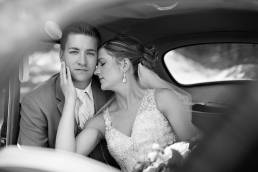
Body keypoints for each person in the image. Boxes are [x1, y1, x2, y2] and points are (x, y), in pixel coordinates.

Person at [56, 35, 199, 172]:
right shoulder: (102, 122)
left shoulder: (162, 99)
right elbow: (64, 160)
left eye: (102, 63)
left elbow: (197, 147)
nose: (96, 70)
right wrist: (70, 99)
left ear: (124, 64)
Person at [18, 22, 117, 166]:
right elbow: (31, 165)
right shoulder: (35, 102)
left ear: (97, 57)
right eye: (74, 52)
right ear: (61, 55)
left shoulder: (111, 91)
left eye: (90, 53)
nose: (82, 61)